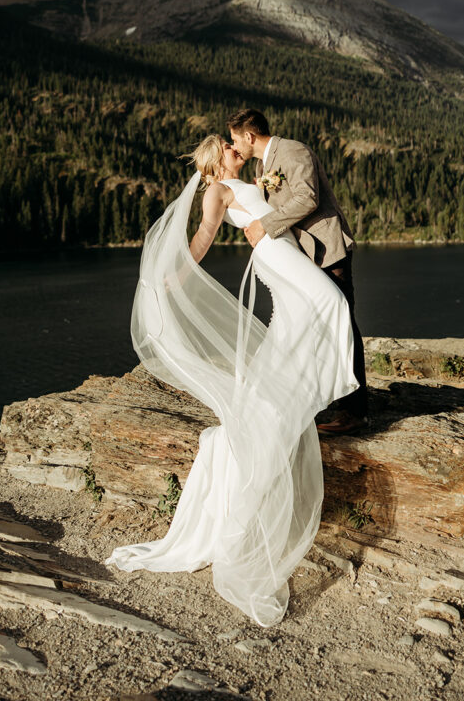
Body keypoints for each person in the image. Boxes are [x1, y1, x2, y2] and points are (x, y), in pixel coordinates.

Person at [104, 134, 358, 626]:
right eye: (226, 146)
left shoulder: (247, 180)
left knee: (301, 317)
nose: (233, 148)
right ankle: (331, 380)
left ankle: (313, 382)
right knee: (328, 302)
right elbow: (203, 235)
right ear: (215, 159)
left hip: (282, 248)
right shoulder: (215, 192)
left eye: (232, 143)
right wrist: (176, 275)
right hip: (273, 256)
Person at [227, 108, 368, 434]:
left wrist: (266, 224)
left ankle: (356, 412)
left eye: (236, 140)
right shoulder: (263, 164)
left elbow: (308, 198)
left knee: (343, 322)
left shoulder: (293, 151)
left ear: (249, 136)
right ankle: (332, 398)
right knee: (316, 326)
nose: (234, 146)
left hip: (326, 250)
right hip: (302, 257)